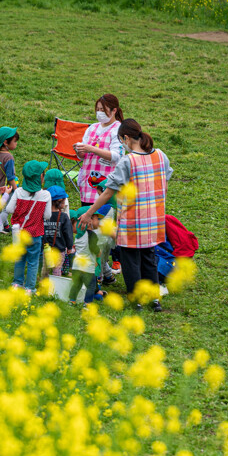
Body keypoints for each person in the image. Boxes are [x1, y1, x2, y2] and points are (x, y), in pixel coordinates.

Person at [82, 119, 173, 312]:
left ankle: (137, 301)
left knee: (130, 259)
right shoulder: (160, 155)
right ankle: (154, 300)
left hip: (132, 219)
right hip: (154, 217)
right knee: (149, 256)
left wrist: (89, 213)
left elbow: (107, 192)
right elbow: (165, 181)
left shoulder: (128, 161)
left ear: (126, 138)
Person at [3, 160, 51, 294]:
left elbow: (9, 209)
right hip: (35, 234)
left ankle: (17, 283)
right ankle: (29, 288)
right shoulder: (46, 195)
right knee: (33, 261)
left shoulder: (18, 192)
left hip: (20, 233)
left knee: (20, 258)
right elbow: (47, 216)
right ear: (40, 177)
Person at [74, 94, 125, 206]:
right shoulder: (92, 128)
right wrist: (80, 151)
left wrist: (91, 149)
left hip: (106, 184)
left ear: (114, 110)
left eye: (103, 109)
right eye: (98, 109)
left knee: (103, 219)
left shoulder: (118, 129)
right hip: (88, 182)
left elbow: (116, 156)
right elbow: (83, 156)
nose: (99, 112)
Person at [68, 208, 101, 305]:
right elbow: (93, 248)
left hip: (76, 266)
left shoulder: (78, 235)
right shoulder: (92, 235)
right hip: (87, 267)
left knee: (77, 285)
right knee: (90, 286)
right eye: (96, 218)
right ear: (89, 220)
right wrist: (99, 252)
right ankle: (87, 303)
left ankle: (72, 301)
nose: (98, 221)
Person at [42, 185, 73, 277]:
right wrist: (70, 246)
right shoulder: (63, 217)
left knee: (45, 268)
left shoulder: (43, 215)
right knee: (57, 269)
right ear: (58, 202)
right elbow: (68, 233)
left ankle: (44, 285)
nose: (64, 204)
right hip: (59, 249)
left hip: (45, 249)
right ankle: (55, 287)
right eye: (64, 201)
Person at [0, 126, 19, 190]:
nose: (16, 143)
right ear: (5, 142)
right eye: (15, 141)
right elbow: (10, 178)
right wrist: (16, 191)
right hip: (5, 191)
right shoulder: (9, 157)